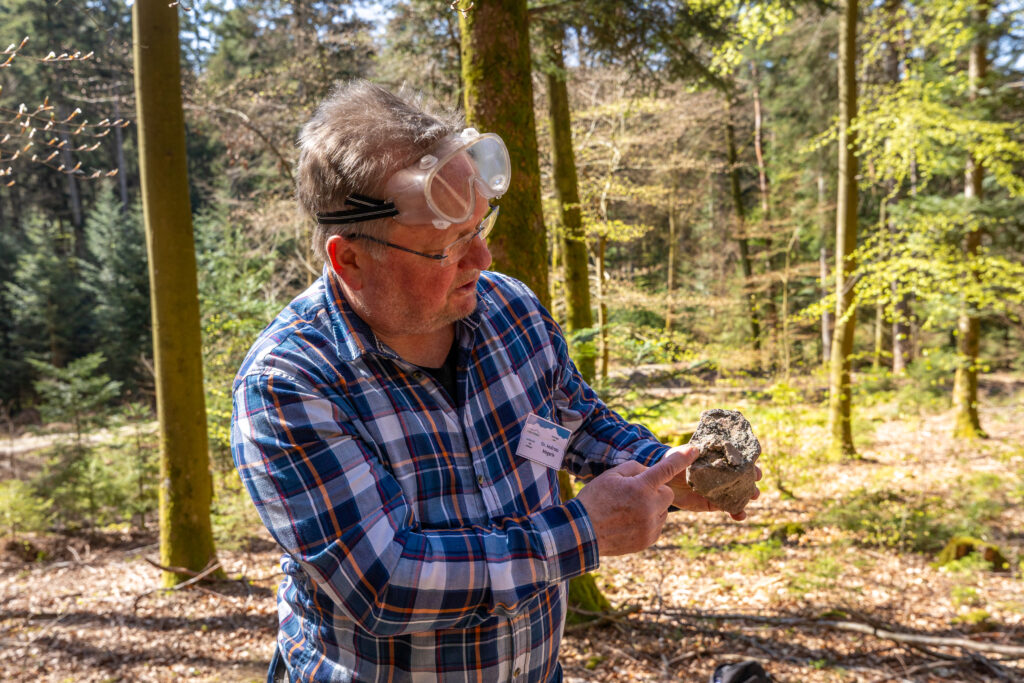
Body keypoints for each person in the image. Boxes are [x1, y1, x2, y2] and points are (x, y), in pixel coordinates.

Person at [231, 80, 759, 683]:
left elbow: (573, 423)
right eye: (447, 247)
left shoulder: (509, 311)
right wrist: (581, 532)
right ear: (349, 257)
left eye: (482, 227)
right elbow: (383, 582)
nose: (481, 258)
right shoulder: (289, 384)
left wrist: (668, 467)